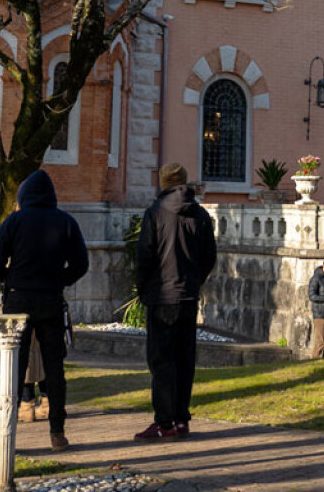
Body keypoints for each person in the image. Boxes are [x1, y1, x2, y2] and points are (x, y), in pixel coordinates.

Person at [0, 168, 89, 453]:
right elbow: (81, 263)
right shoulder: (66, 222)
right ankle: (57, 431)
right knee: (54, 368)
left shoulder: (15, 221)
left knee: (13, 368)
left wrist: (11, 279)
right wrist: (59, 280)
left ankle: (4, 433)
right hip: (50, 299)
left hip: (18, 299)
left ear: (24, 196)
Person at [133, 163, 216, 441]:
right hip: (188, 295)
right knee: (184, 359)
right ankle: (181, 418)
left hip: (162, 296)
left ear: (163, 182)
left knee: (161, 360)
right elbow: (209, 256)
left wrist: (143, 288)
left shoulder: (155, 213)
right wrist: (195, 280)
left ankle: (164, 422)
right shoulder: (200, 215)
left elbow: (145, 255)